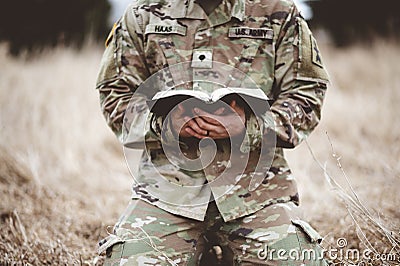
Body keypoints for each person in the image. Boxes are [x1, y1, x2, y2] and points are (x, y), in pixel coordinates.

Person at [96, 0, 330, 264]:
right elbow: (116, 96)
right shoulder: (143, 14)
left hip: (257, 195)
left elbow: (306, 94)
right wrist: (167, 125)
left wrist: (248, 127)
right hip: (167, 195)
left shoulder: (277, 11)